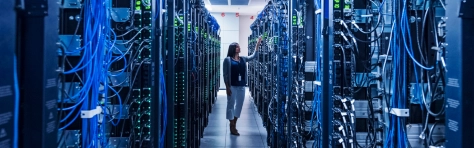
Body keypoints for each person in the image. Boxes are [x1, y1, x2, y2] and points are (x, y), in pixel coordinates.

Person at [223, 36, 262, 135]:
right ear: (233, 49)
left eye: (239, 46)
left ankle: (234, 122)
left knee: (239, 105)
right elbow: (225, 74)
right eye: (237, 47)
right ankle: (232, 125)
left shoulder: (243, 59)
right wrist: (227, 87)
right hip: (232, 86)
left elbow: (253, 56)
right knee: (230, 105)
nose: (239, 48)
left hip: (241, 86)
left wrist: (257, 45)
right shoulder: (227, 60)